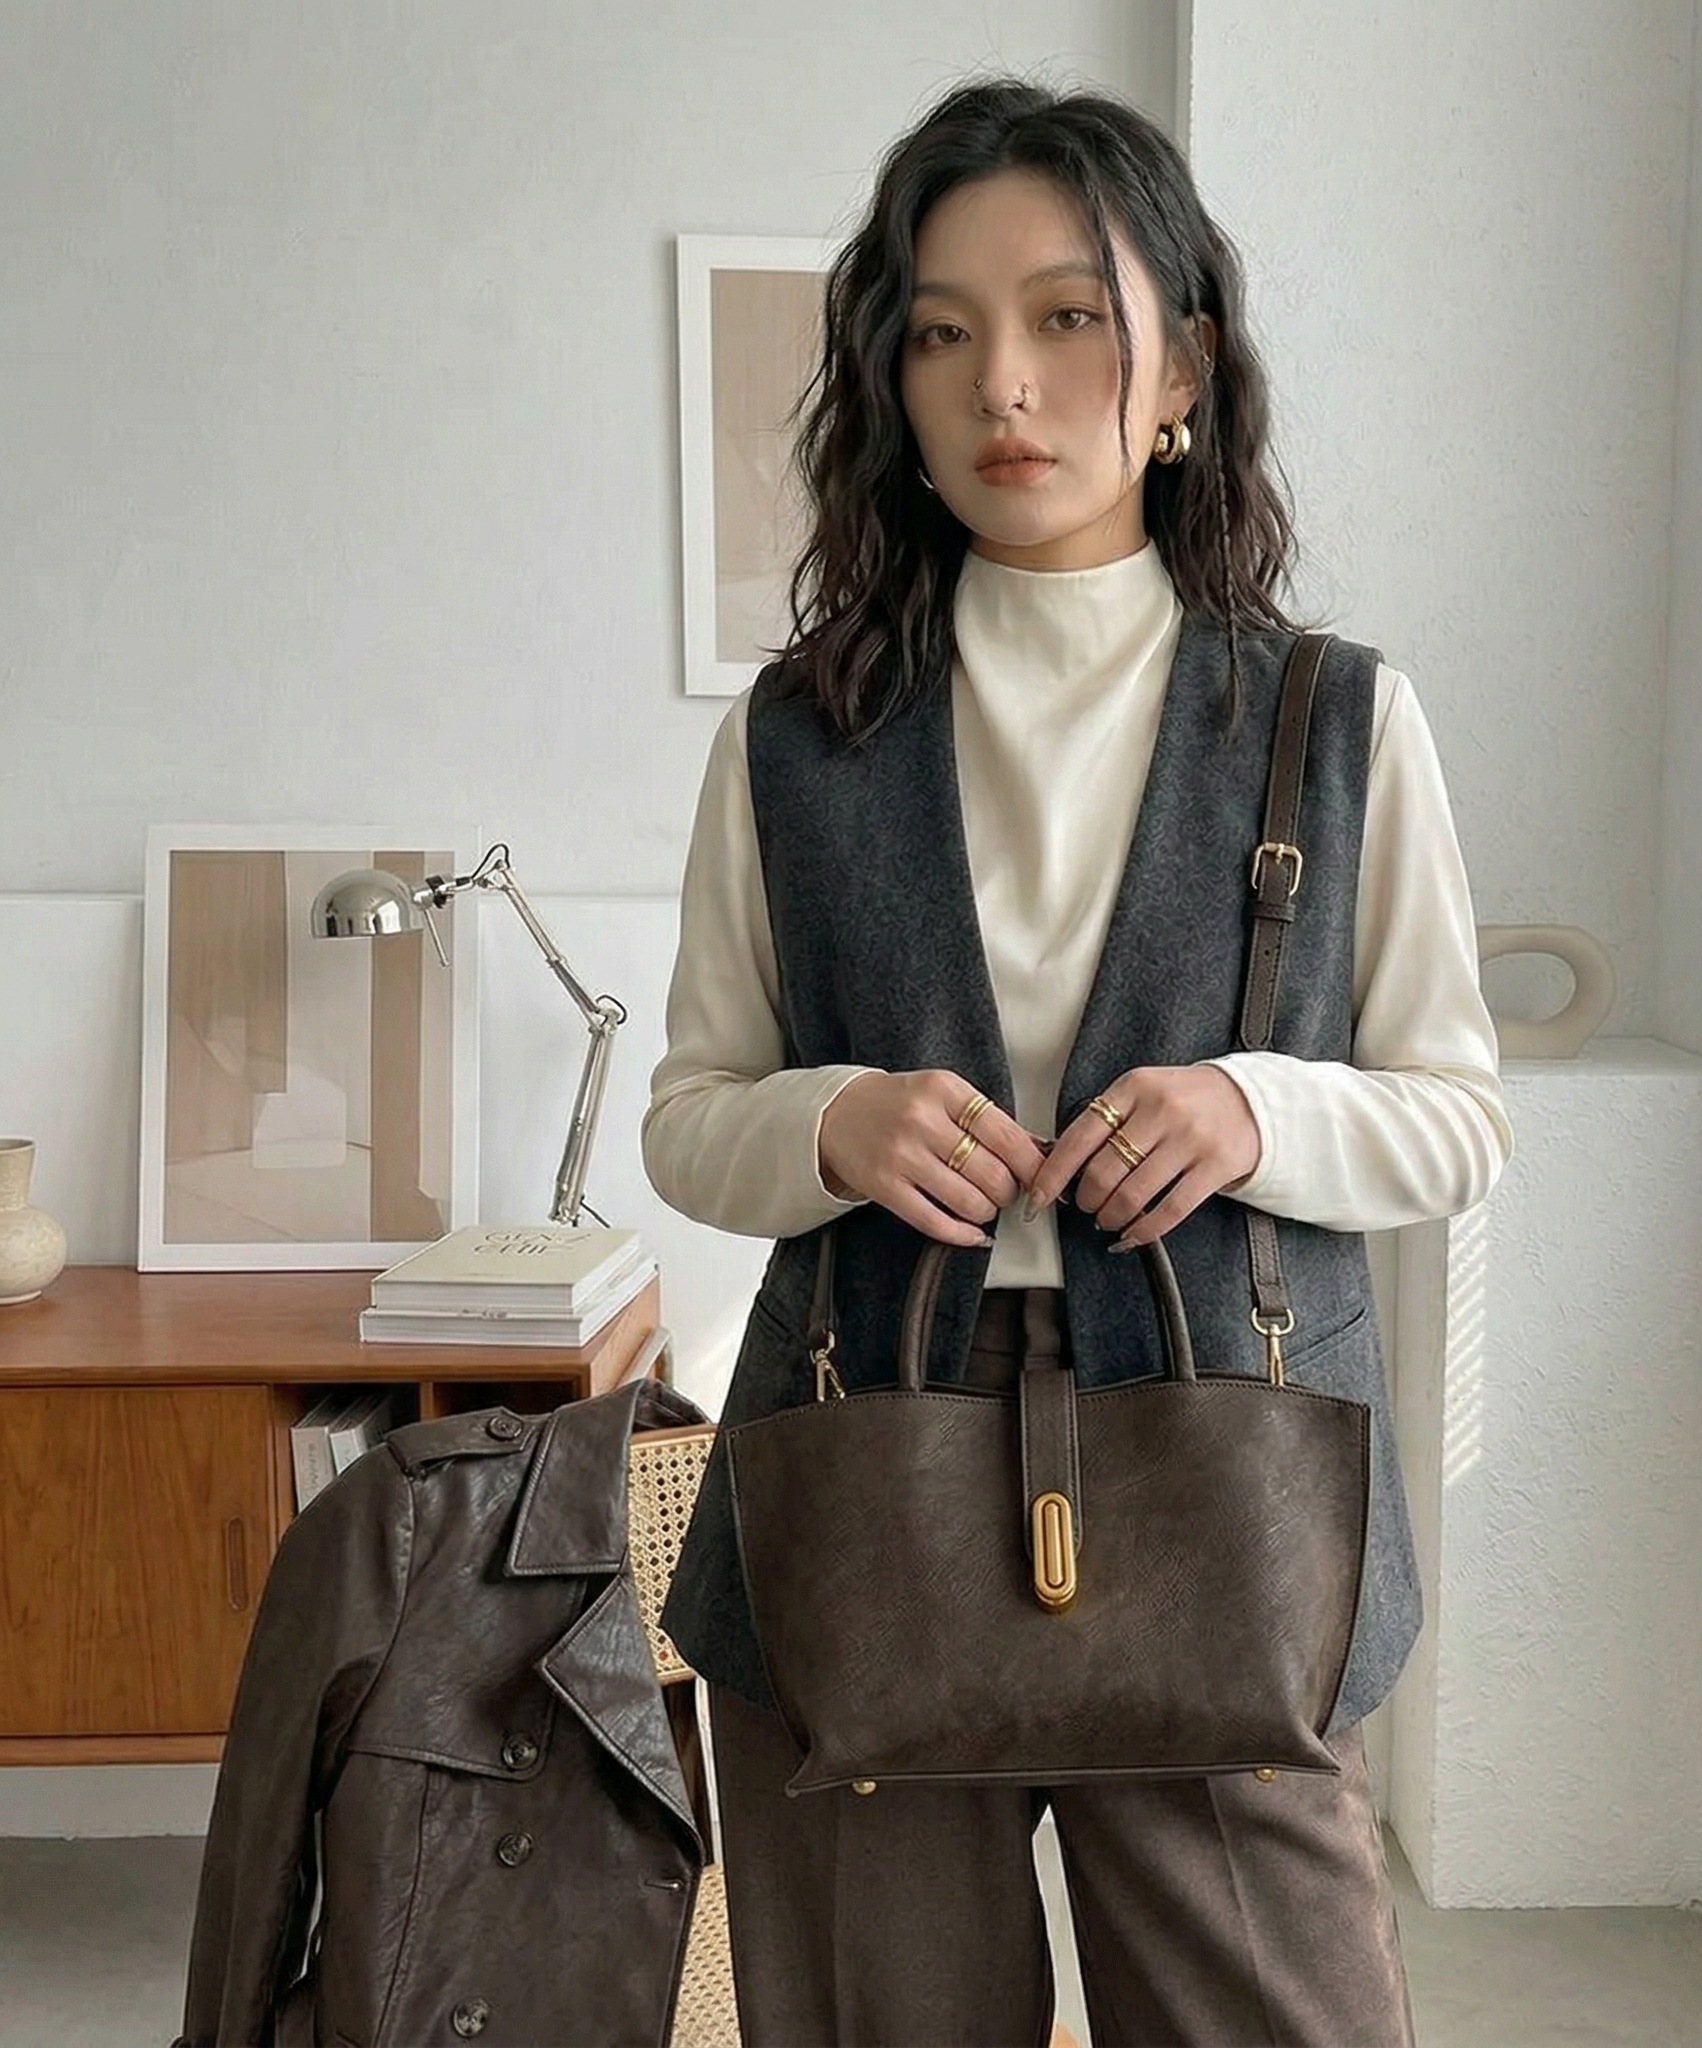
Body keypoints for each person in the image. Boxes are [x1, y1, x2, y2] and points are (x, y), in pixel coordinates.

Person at [643, 75, 1512, 2048]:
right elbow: (693, 1118)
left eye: (1065, 317)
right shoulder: (796, 735)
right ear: (890, 380)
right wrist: (836, 1121)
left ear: (1180, 361)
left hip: (1233, 1498)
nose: (1000, 384)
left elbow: (1454, 1117)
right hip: (860, 1480)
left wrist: (1249, 1105)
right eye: (939, 331)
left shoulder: (1335, 720)